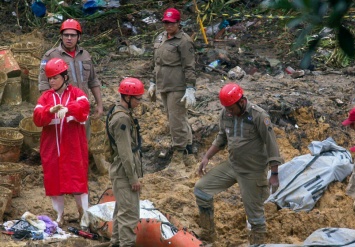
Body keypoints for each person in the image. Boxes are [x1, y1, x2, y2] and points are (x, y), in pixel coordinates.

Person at [193, 83, 283, 244]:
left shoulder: (259, 116)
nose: (229, 112)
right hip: (233, 165)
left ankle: (257, 242)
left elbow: (272, 145)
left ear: (241, 102)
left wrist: (274, 174)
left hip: (253, 171)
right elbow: (222, 137)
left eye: (231, 108)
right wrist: (207, 157)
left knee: (255, 217)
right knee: (201, 190)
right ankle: (208, 235)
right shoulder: (226, 113)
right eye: (226, 109)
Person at [33, 58, 90, 227]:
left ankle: (84, 214)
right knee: (53, 179)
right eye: (50, 78)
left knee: (78, 178)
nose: (52, 81)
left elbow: (84, 107)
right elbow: (37, 117)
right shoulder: (45, 97)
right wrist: (49, 111)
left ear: (65, 77)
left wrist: (68, 109)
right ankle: (59, 215)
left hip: (73, 146)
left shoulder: (77, 93)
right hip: (52, 146)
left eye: (55, 77)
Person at [148, 8, 197, 169]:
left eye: (171, 23)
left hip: (177, 85)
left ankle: (179, 152)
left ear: (178, 23)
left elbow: (189, 66)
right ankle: (189, 147)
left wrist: (190, 87)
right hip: (163, 83)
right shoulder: (160, 38)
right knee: (173, 117)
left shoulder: (184, 41)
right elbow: (155, 62)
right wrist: (152, 82)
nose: (168, 26)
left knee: (176, 120)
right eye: (166, 23)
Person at [39, 18, 103, 138]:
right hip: (62, 111)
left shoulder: (85, 55)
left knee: (83, 143)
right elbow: (44, 85)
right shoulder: (50, 56)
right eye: (66, 35)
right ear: (61, 36)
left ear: (79, 37)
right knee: (63, 147)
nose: (69, 38)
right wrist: (51, 108)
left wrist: (99, 104)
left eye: (73, 35)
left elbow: (93, 81)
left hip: (82, 108)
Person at [106, 78, 144, 247]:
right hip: (124, 172)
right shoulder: (122, 119)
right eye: (137, 98)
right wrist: (133, 178)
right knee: (129, 216)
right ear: (127, 98)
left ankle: (116, 243)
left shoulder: (119, 112)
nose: (139, 102)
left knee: (121, 213)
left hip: (120, 172)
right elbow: (125, 152)